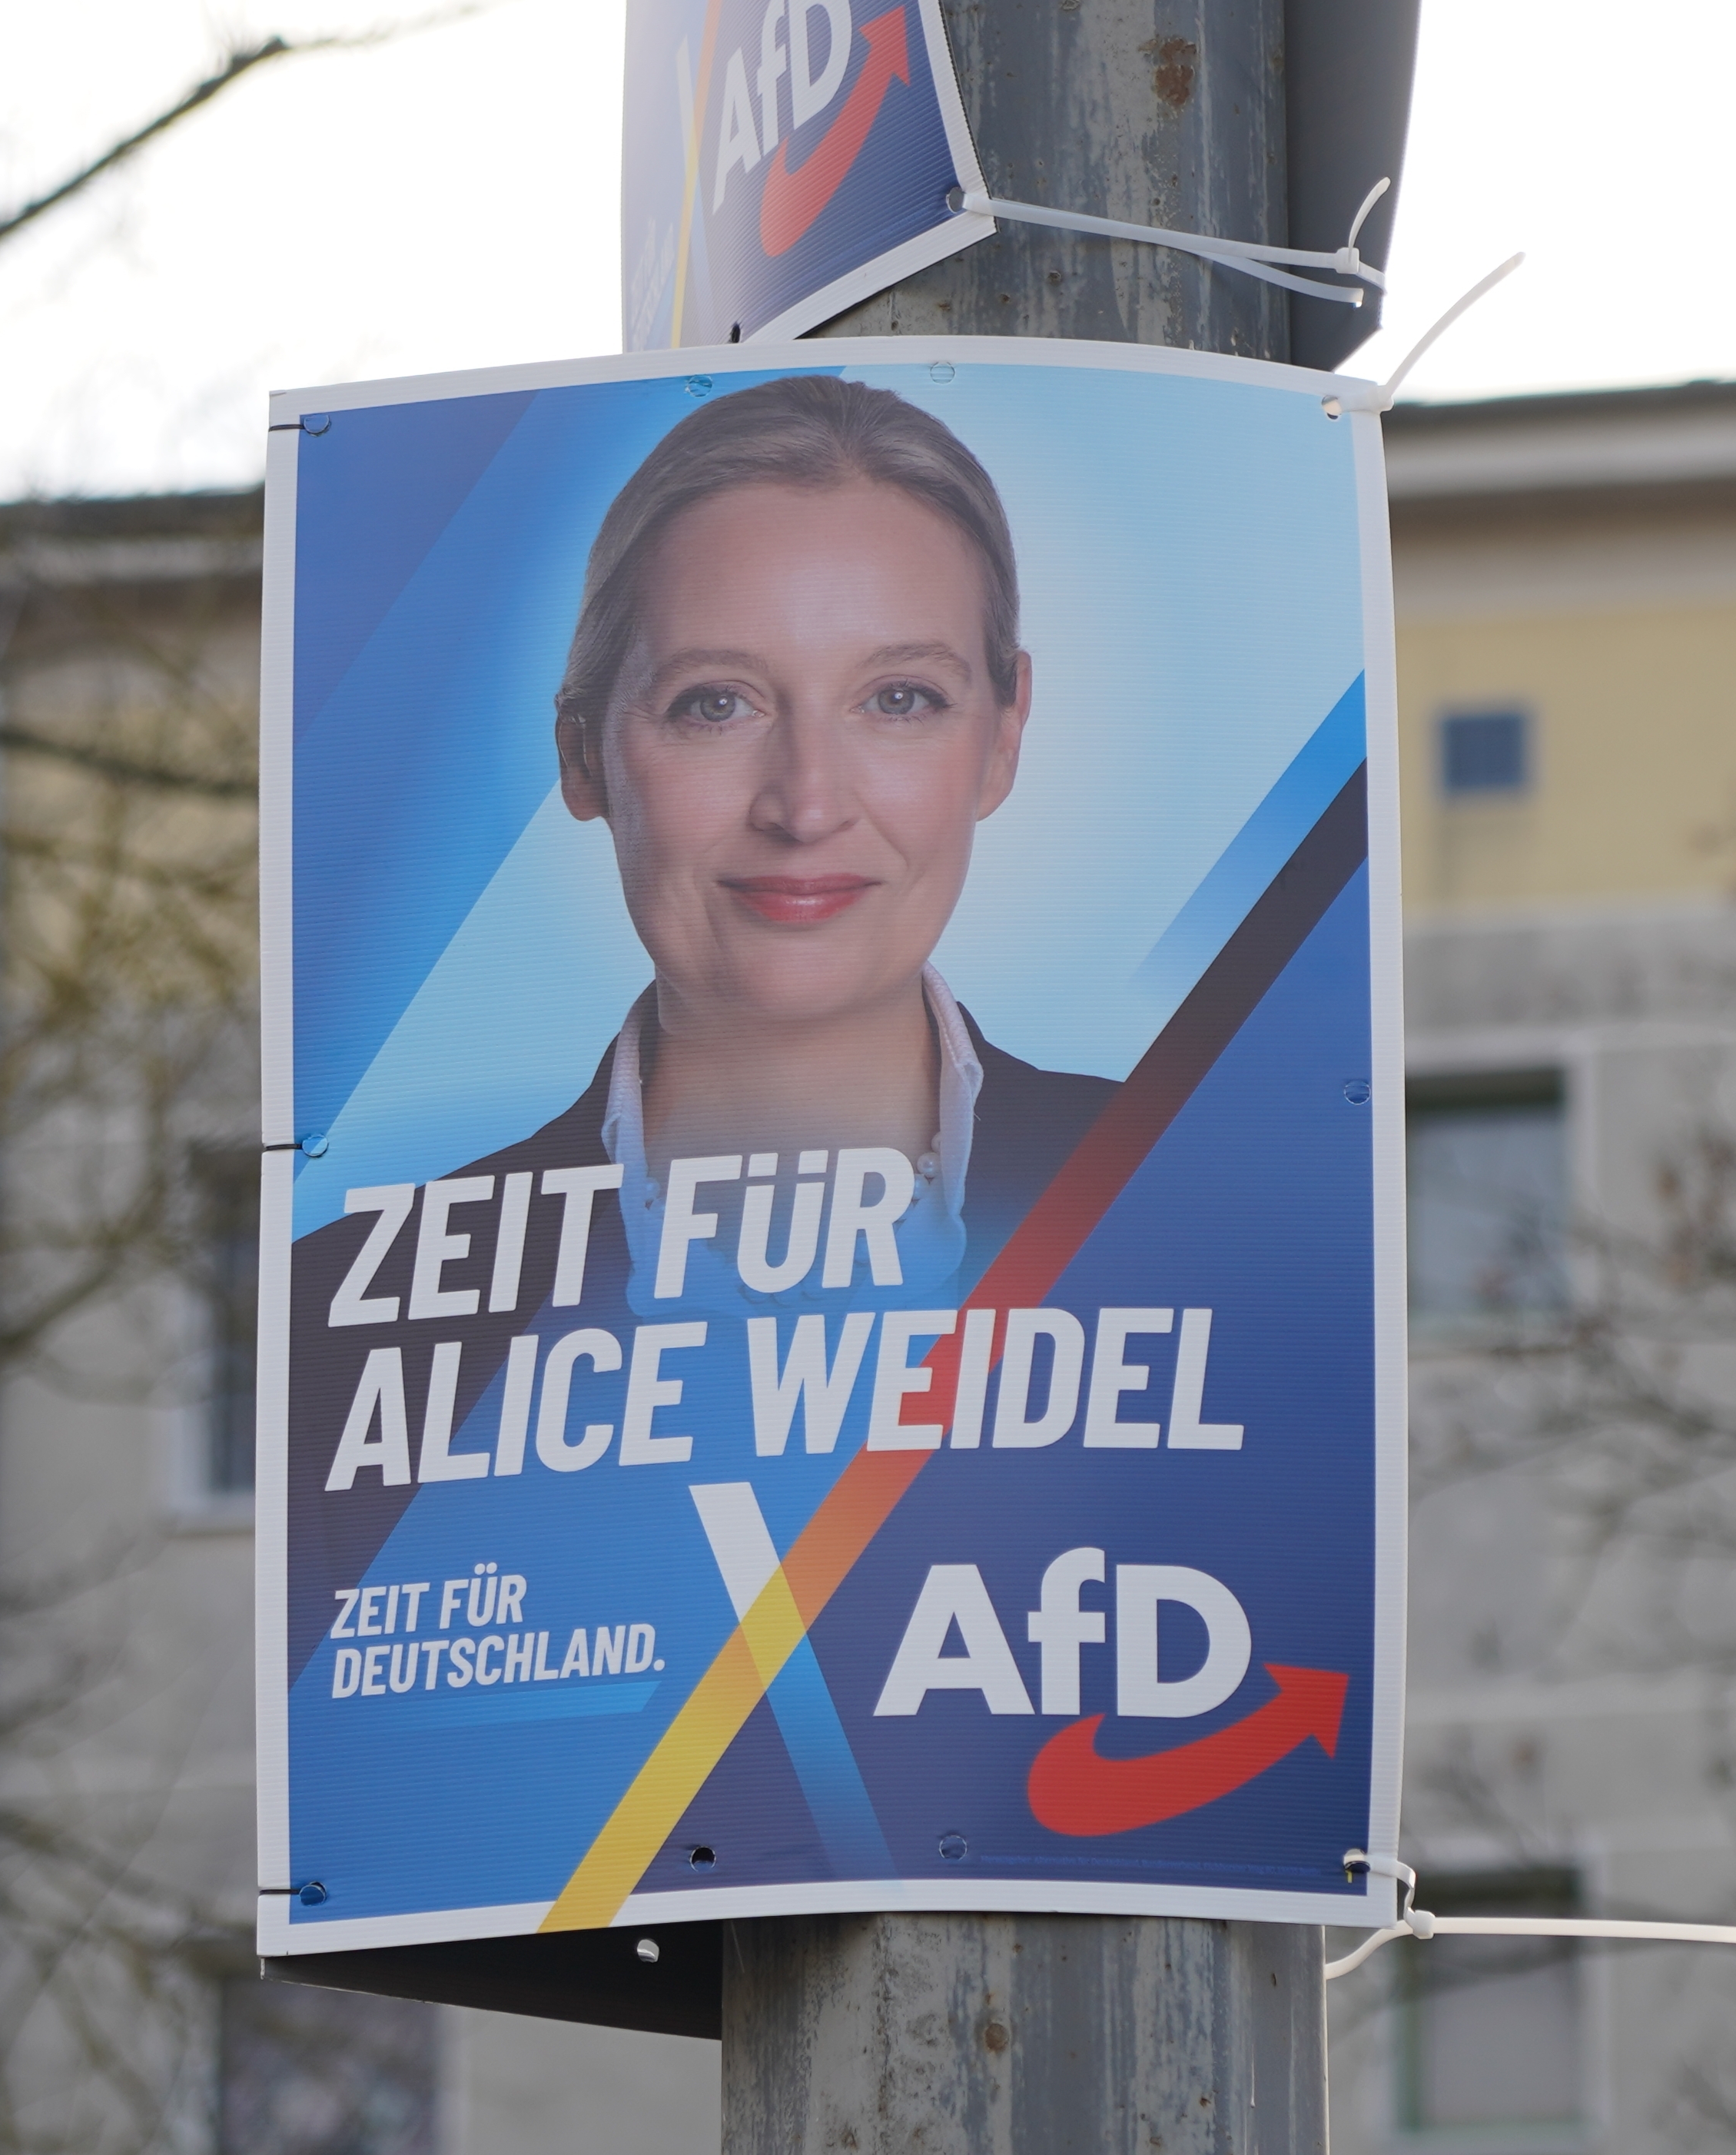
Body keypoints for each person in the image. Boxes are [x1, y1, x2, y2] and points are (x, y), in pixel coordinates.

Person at [288, 373, 1117, 1529]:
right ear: (583, 753)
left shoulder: (1197, 1208)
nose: (806, 803)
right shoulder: (348, 1316)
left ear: (1003, 737)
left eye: (900, 698)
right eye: (715, 705)